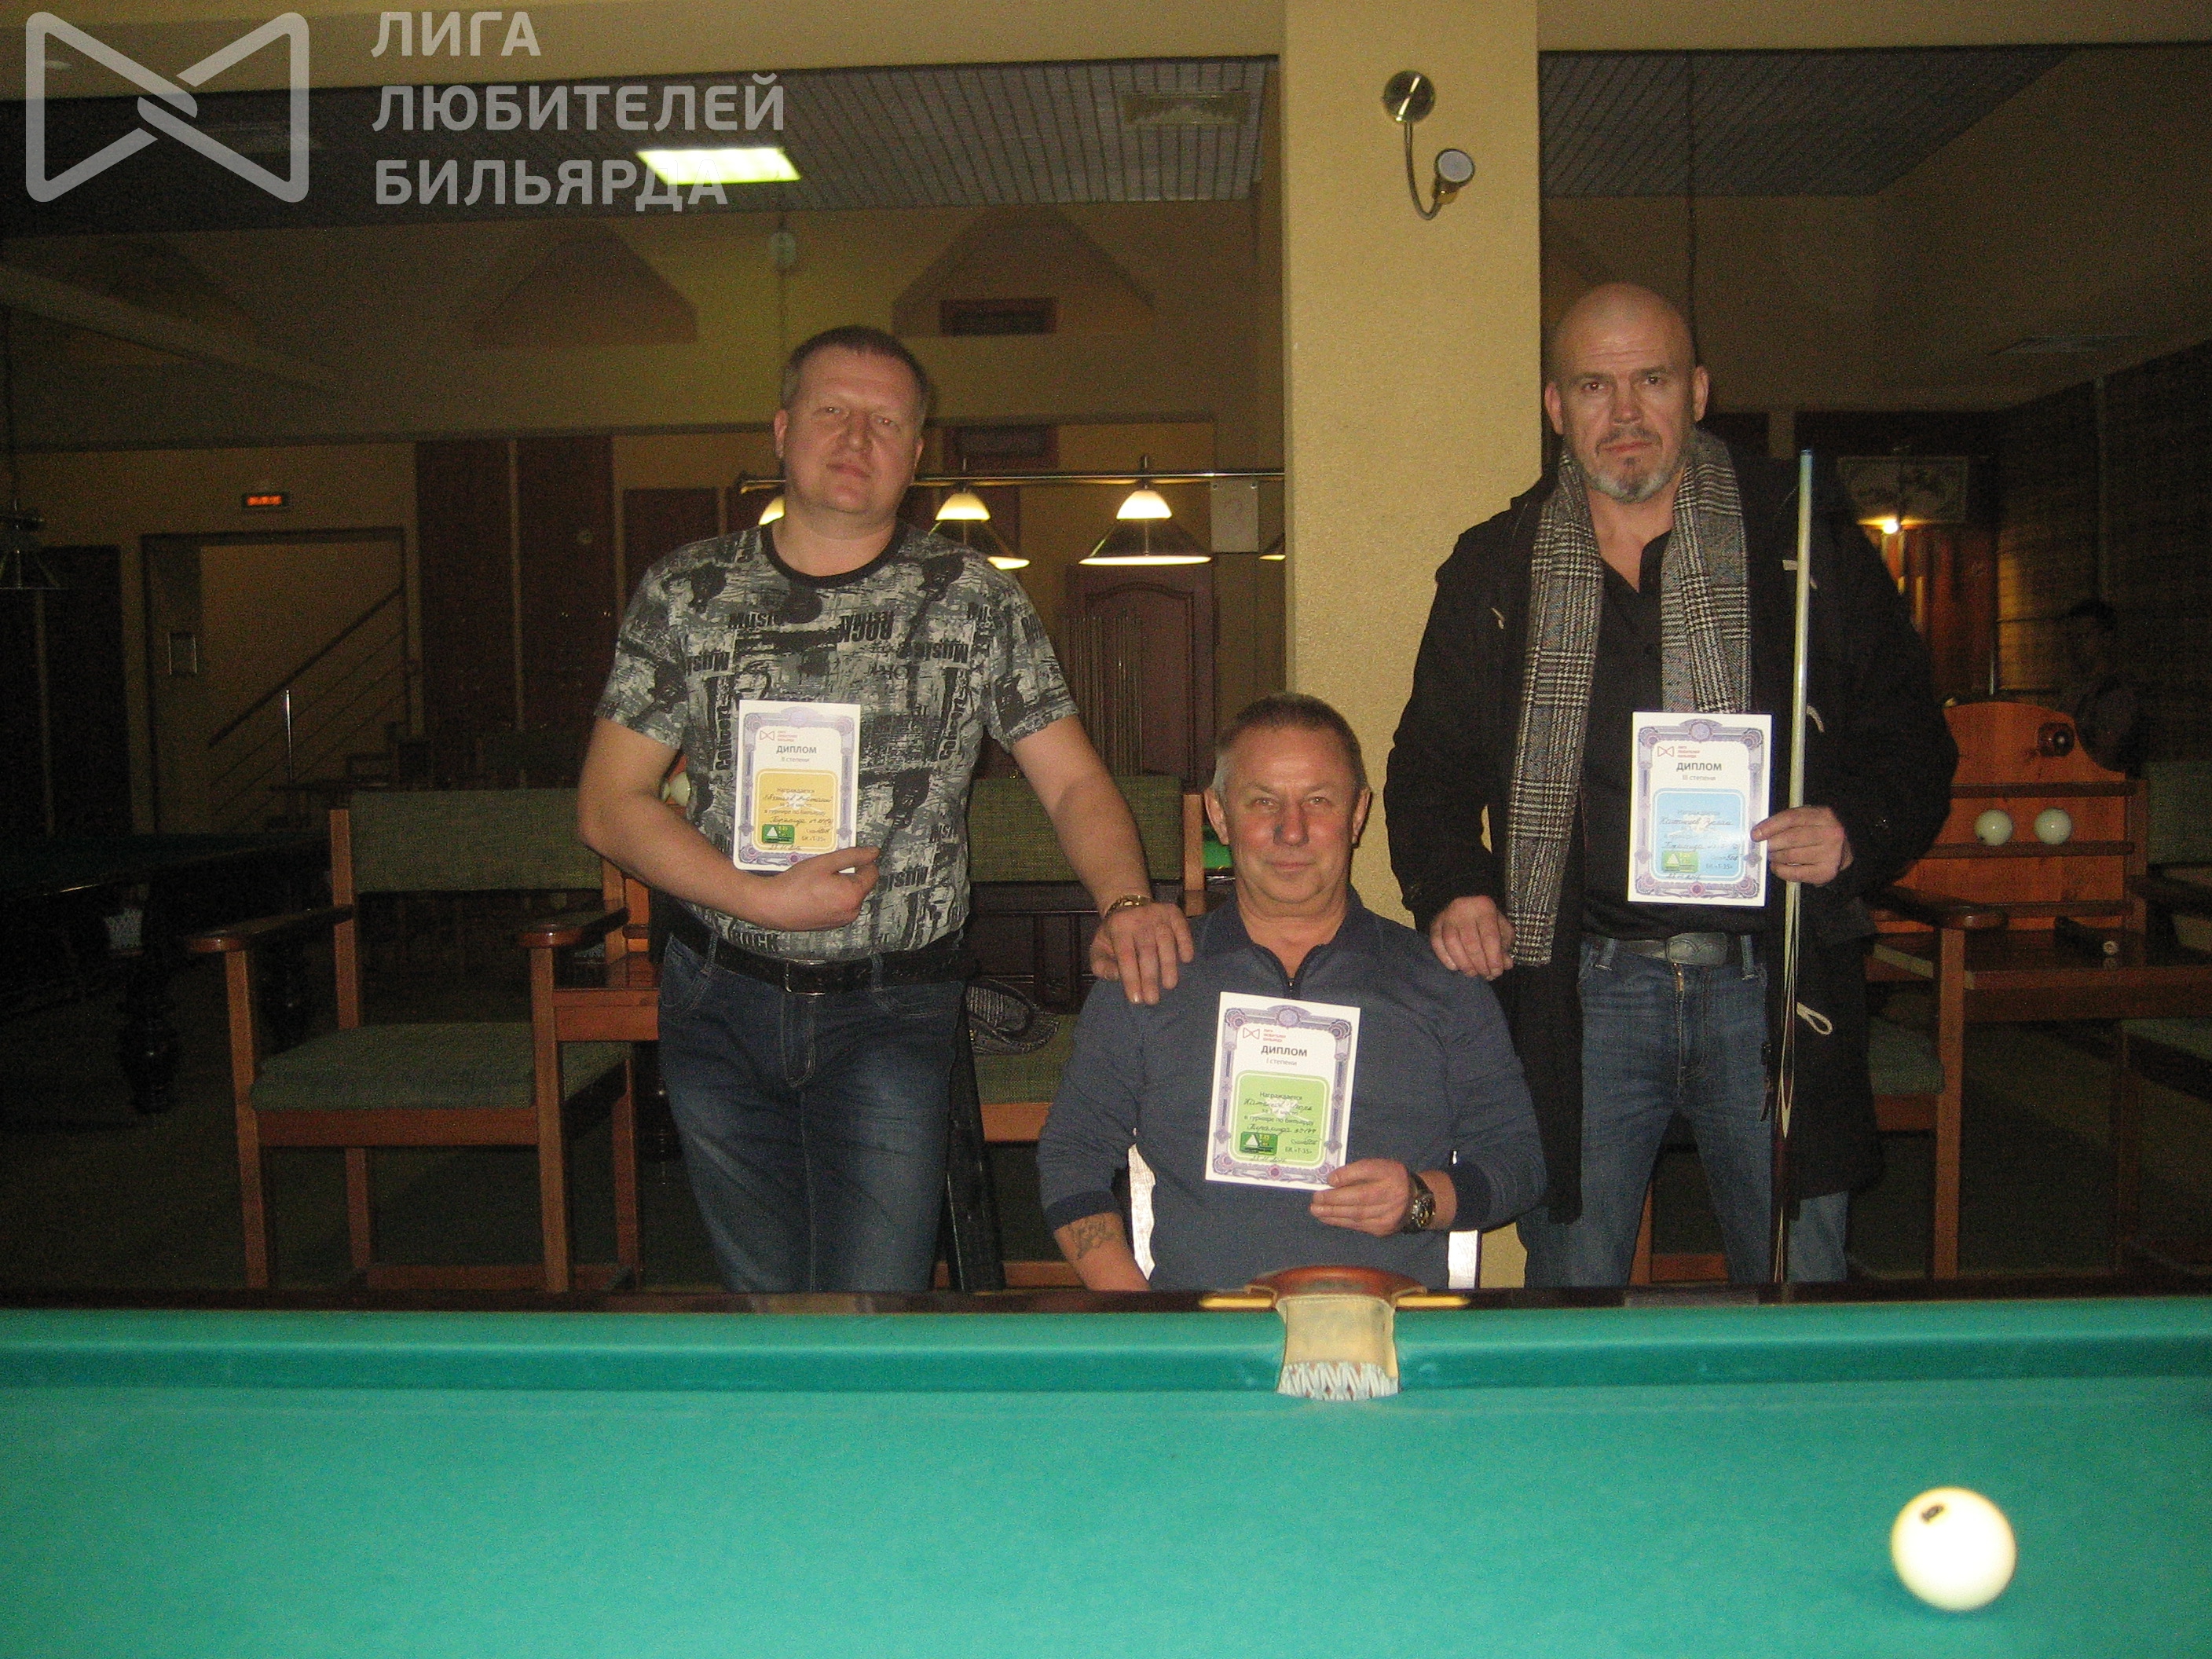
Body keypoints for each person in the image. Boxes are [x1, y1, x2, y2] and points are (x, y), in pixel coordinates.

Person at [579, 324, 1193, 1295]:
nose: (856, 438)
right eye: (832, 411)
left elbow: (1074, 782)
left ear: (915, 455)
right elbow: (610, 805)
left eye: (886, 422)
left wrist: (1123, 901)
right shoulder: (687, 590)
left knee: (873, 1301)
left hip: (891, 1009)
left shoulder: (972, 599)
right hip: (719, 1000)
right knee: (764, 1303)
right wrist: (759, 898)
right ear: (782, 430)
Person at [1386, 284, 1957, 1287]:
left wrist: (1852, 829)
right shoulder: (1495, 567)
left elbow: (1912, 740)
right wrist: (1456, 889)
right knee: (1573, 1293)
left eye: (1650, 380)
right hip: (1580, 994)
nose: (1624, 412)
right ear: (1555, 407)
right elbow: (1426, 772)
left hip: (1769, 982)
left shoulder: (1802, 542)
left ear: (1695, 392)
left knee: (1795, 1291)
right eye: (1592, 386)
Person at [1037, 694, 1546, 1291]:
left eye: (1318, 801)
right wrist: (1139, 1316)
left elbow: (1519, 1161)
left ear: (1357, 815)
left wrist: (1421, 1200)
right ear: (1219, 815)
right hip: (1202, 1328)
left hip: (1389, 1326)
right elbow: (1072, 1155)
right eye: (1263, 802)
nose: (1292, 831)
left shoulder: (1440, 981)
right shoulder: (1152, 974)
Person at [2058, 598, 2142, 775]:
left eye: (2083, 636)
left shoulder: (2116, 692)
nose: (2075, 645)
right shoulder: (2076, 689)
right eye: (2071, 638)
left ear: (2106, 639)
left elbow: (2104, 757)